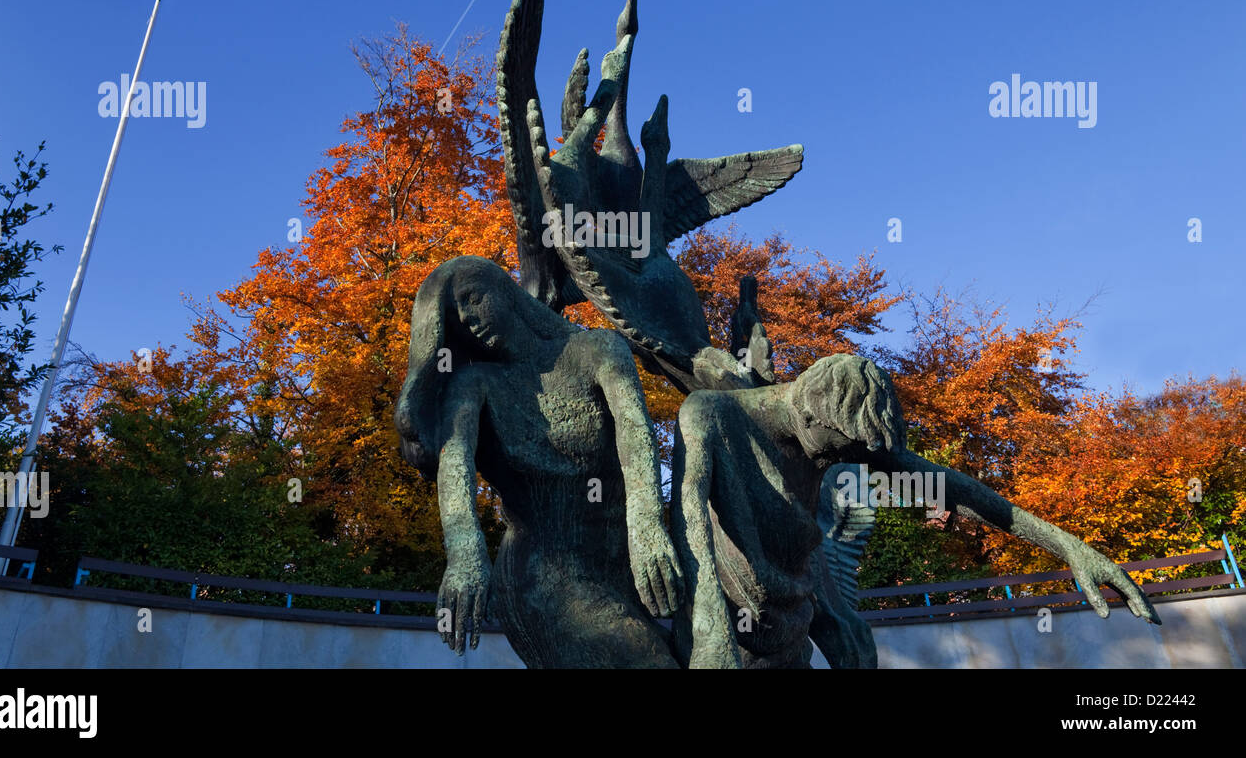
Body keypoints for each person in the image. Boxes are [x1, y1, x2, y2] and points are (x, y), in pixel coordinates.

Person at [670, 352, 1161, 668]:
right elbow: (688, 514)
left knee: (856, 650)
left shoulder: (839, 436)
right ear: (808, 413)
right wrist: (711, 632)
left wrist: (1069, 546)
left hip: (791, 626)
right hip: (727, 632)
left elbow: (957, 491)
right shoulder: (713, 415)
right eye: (837, 451)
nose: (844, 464)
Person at [396, 255, 681, 667]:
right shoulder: (476, 385)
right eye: (459, 319)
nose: (470, 319)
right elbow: (454, 460)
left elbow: (636, 434)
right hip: (542, 578)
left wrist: (648, 525)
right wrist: (464, 552)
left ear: (502, 290)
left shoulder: (596, 350)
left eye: (472, 298)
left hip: (620, 562)